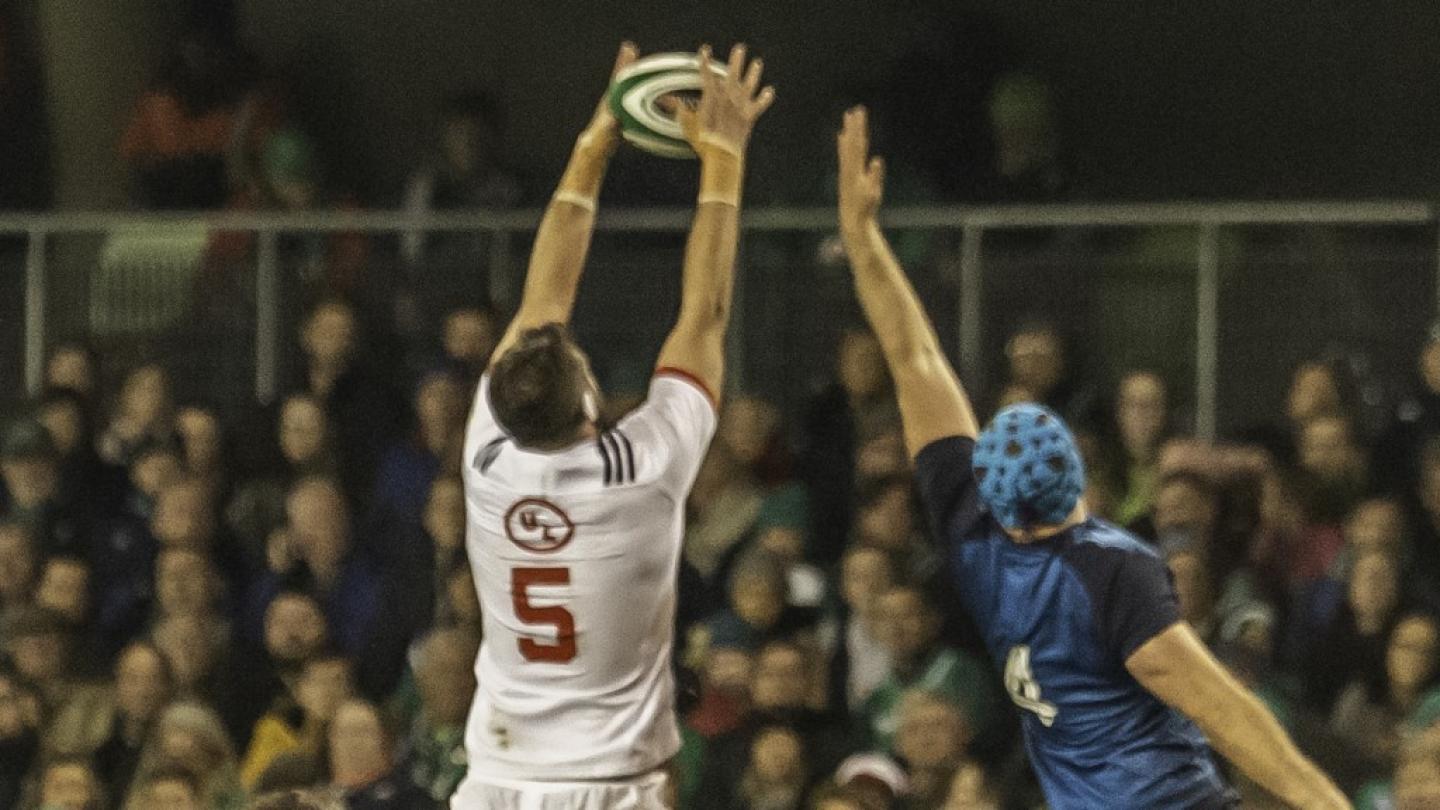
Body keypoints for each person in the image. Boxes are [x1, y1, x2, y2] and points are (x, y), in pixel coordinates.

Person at [835, 105, 1347, 808]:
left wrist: (864, 243)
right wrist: (1327, 802)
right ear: (1075, 480)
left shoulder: (971, 532)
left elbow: (914, 359)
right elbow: (1219, 706)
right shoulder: (1111, 567)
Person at [450, 42, 774, 808]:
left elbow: (542, 299)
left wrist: (591, 145)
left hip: (498, 781)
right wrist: (723, 159)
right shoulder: (643, 471)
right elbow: (705, 314)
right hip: (612, 785)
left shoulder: (486, 457)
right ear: (593, 403)